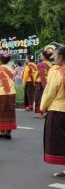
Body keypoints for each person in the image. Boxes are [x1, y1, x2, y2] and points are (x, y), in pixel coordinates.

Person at [40, 46, 65, 177]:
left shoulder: (57, 72)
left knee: (59, 140)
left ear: (61, 57)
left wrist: (42, 107)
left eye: (55, 55)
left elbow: (50, 92)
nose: (53, 58)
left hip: (58, 110)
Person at [0, 53, 17, 139]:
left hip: (1, 93)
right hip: (12, 93)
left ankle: (2, 132)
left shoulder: (0, 69)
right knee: (10, 112)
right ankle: (8, 133)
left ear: (0, 61)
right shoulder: (11, 69)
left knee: (1, 113)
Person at [34, 49, 53, 118]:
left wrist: (34, 80)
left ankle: (40, 113)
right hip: (48, 82)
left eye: (41, 55)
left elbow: (36, 74)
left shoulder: (40, 64)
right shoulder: (51, 64)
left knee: (38, 97)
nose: (40, 56)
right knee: (46, 97)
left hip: (40, 83)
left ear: (44, 56)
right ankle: (46, 112)